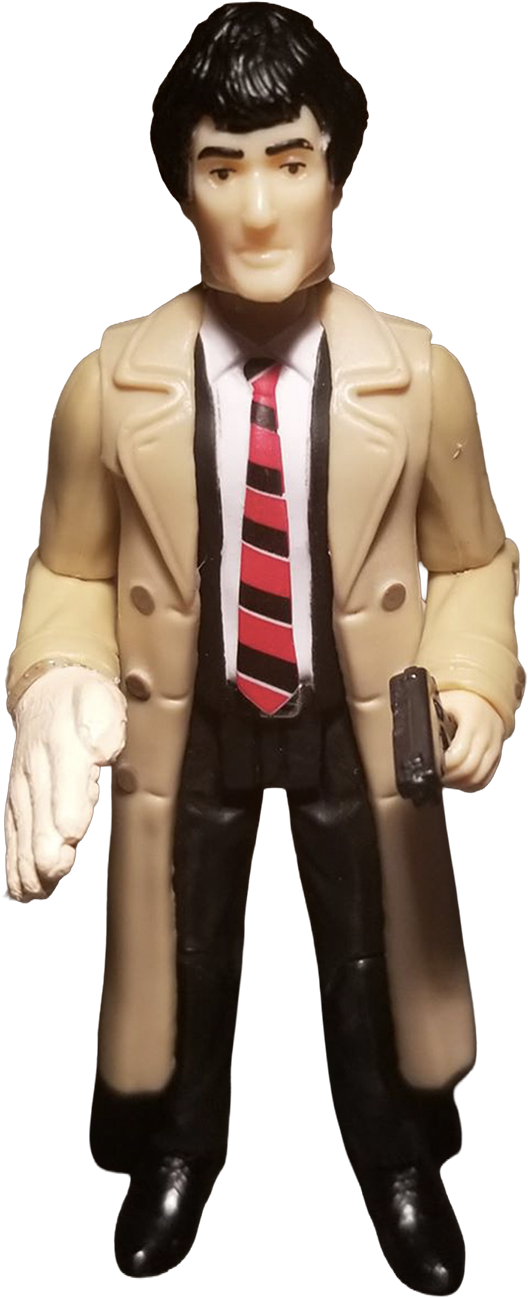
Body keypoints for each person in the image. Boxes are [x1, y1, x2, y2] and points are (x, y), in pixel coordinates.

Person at [4, 4, 523, 1291]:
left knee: (368, 946)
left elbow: (474, 561)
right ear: (181, 182)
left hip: (356, 721)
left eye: (289, 161)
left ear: (337, 164)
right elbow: (69, 567)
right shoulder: (110, 381)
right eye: (221, 167)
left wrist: (473, 682)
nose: (256, 207)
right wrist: (55, 680)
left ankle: (395, 1155)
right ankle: (179, 1145)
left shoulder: (420, 375)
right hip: (187, 719)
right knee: (183, 943)